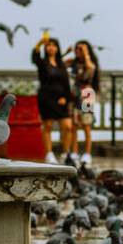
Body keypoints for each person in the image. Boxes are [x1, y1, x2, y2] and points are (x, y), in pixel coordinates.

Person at [32, 33, 73, 164]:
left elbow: (66, 83)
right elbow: (35, 55)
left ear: (57, 48)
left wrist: (66, 98)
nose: (51, 47)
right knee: (48, 126)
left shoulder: (61, 64)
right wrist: (39, 43)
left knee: (68, 126)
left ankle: (65, 153)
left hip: (61, 98)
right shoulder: (42, 63)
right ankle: (49, 154)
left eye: (53, 45)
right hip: (46, 98)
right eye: (48, 45)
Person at [65, 40, 100, 166]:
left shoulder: (90, 62)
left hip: (87, 95)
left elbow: (91, 69)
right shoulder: (73, 62)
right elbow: (59, 65)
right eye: (77, 49)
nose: (78, 51)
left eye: (81, 49)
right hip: (75, 95)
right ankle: (74, 152)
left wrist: (86, 54)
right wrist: (65, 53)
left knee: (86, 125)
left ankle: (87, 153)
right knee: (74, 125)